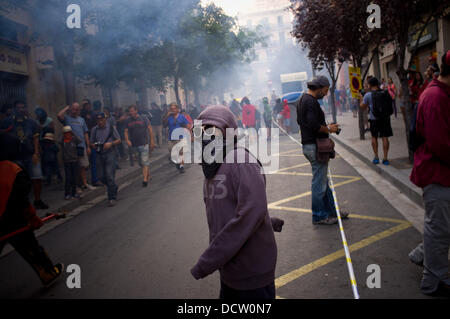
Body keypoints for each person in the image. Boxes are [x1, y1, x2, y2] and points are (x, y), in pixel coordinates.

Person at [191, 105, 284, 299]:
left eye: (213, 130)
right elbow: (229, 210)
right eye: (202, 131)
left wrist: (209, 260)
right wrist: (266, 220)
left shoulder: (241, 162)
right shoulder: (213, 165)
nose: (206, 136)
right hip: (230, 269)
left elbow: (249, 214)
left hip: (252, 270)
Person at [410, 51, 450, 298]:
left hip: (443, 171)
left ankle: (421, 254)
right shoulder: (435, 97)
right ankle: (434, 280)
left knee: (441, 225)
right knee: (439, 228)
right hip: (437, 172)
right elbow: (441, 144)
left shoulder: (442, 93)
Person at [0, 133, 63, 287]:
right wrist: (33, 219)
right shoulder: (14, 170)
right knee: (32, 248)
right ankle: (48, 273)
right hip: (12, 219)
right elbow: (22, 201)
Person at [297, 76, 349, 225]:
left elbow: (303, 122)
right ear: (319, 88)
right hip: (314, 146)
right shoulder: (310, 101)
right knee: (319, 184)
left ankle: (332, 211)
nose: (325, 94)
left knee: (323, 182)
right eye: (325, 91)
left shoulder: (302, 100)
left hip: (310, 145)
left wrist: (326, 127)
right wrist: (329, 129)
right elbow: (313, 124)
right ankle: (319, 215)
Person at [0, 100, 49, 209]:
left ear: (25, 109)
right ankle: (19, 204)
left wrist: (36, 153)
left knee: (37, 177)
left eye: (22, 108)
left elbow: (35, 138)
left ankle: (37, 200)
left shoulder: (31, 122)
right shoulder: (7, 122)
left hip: (30, 154)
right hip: (15, 157)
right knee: (17, 181)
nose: (20, 110)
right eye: (18, 108)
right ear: (14, 109)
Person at [57, 103, 95, 190]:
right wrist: (66, 108)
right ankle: (76, 186)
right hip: (70, 148)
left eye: (77, 109)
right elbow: (59, 115)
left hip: (81, 146)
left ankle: (84, 183)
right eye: (73, 109)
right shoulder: (66, 118)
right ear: (70, 109)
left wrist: (88, 146)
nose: (75, 111)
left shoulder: (81, 120)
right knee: (74, 167)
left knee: (83, 166)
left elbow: (85, 133)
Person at [90, 113, 121, 207]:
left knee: (109, 176)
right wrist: (95, 145)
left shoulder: (111, 128)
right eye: (98, 120)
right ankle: (113, 187)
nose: (100, 122)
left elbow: (119, 140)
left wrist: (110, 143)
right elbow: (91, 143)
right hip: (99, 154)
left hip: (110, 153)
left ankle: (111, 198)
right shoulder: (94, 130)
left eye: (101, 119)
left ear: (105, 120)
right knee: (101, 176)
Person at [360, 77, 393, 165]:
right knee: (385, 137)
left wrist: (360, 98)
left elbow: (363, 107)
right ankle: (385, 158)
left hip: (374, 119)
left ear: (370, 85)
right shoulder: (384, 92)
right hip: (385, 118)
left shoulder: (368, 95)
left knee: (374, 137)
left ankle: (376, 157)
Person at [124, 105, 155, 186]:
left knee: (145, 161)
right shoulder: (128, 120)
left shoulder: (143, 118)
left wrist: (152, 141)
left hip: (144, 143)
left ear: (136, 110)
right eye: (130, 111)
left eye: (132, 111)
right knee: (140, 163)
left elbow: (150, 129)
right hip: (134, 145)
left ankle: (145, 179)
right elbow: (126, 131)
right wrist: (127, 140)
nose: (131, 113)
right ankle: (147, 174)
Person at [163, 102, 190, 174]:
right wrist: (166, 116)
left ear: (177, 109)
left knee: (180, 152)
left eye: (174, 108)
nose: (173, 110)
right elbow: (164, 125)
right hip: (171, 138)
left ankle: (181, 166)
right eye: (171, 109)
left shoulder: (181, 116)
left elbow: (188, 126)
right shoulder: (169, 117)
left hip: (180, 137)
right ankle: (177, 162)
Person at [81, 99, 100, 186]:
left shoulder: (94, 114)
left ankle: (95, 179)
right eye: (84, 105)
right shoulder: (81, 115)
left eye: (87, 104)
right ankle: (83, 181)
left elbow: (97, 126)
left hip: (93, 140)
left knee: (94, 160)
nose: (86, 106)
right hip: (82, 141)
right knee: (83, 163)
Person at [61, 126, 81, 200]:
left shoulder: (73, 139)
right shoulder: (63, 141)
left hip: (74, 161)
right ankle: (67, 193)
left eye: (69, 133)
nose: (68, 135)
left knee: (74, 178)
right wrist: (62, 134)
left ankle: (74, 192)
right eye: (66, 133)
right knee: (68, 178)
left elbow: (80, 140)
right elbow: (58, 140)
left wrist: (74, 133)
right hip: (67, 162)